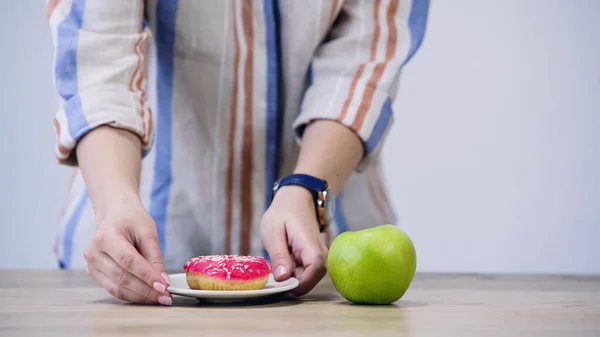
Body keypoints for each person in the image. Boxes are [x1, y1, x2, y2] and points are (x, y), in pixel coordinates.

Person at [46, 0, 428, 306]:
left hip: (318, 264)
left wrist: (306, 188)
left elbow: (362, 64)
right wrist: (115, 202)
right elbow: (97, 60)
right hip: (139, 250)